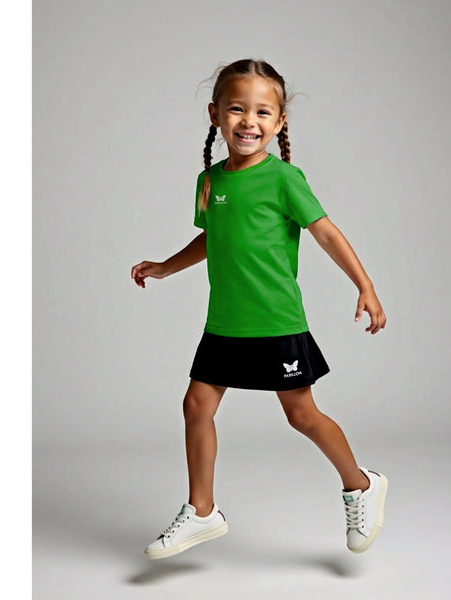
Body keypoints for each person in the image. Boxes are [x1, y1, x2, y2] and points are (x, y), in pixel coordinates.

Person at [131, 59, 388, 560]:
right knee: (196, 406)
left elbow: (326, 232)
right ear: (215, 115)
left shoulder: (284, 178)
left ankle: (361, 485)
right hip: (225, 323)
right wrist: (164, 267)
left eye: (262, 112)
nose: (249, 121)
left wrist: (365, 285)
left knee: (302, 416)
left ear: (279, 121)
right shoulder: (209, 181)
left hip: (275, 321)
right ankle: (202, 510)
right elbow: (213, 237)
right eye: (237, 109)